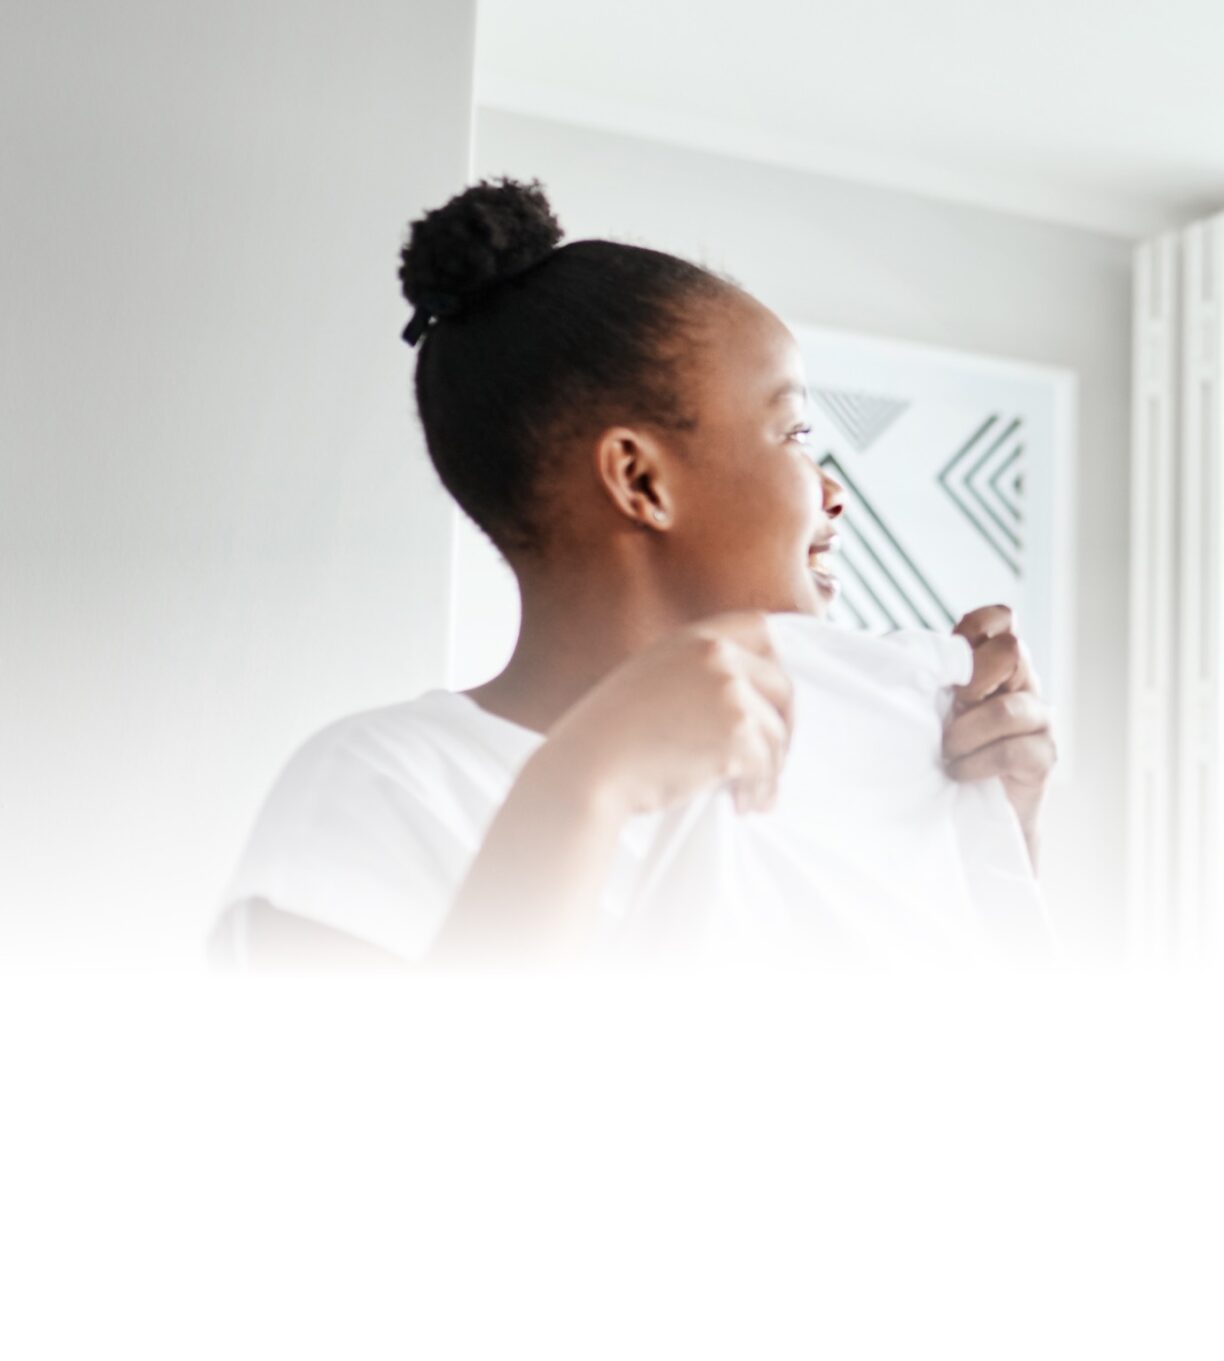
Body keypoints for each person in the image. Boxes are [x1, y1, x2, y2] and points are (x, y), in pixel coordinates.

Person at [216, 179, 1057, 966]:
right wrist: (589, 779)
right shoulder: (383, 789)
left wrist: (998, 820)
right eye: (796, 434)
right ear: (640, 480)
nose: (832, 492)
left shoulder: (851, 776)